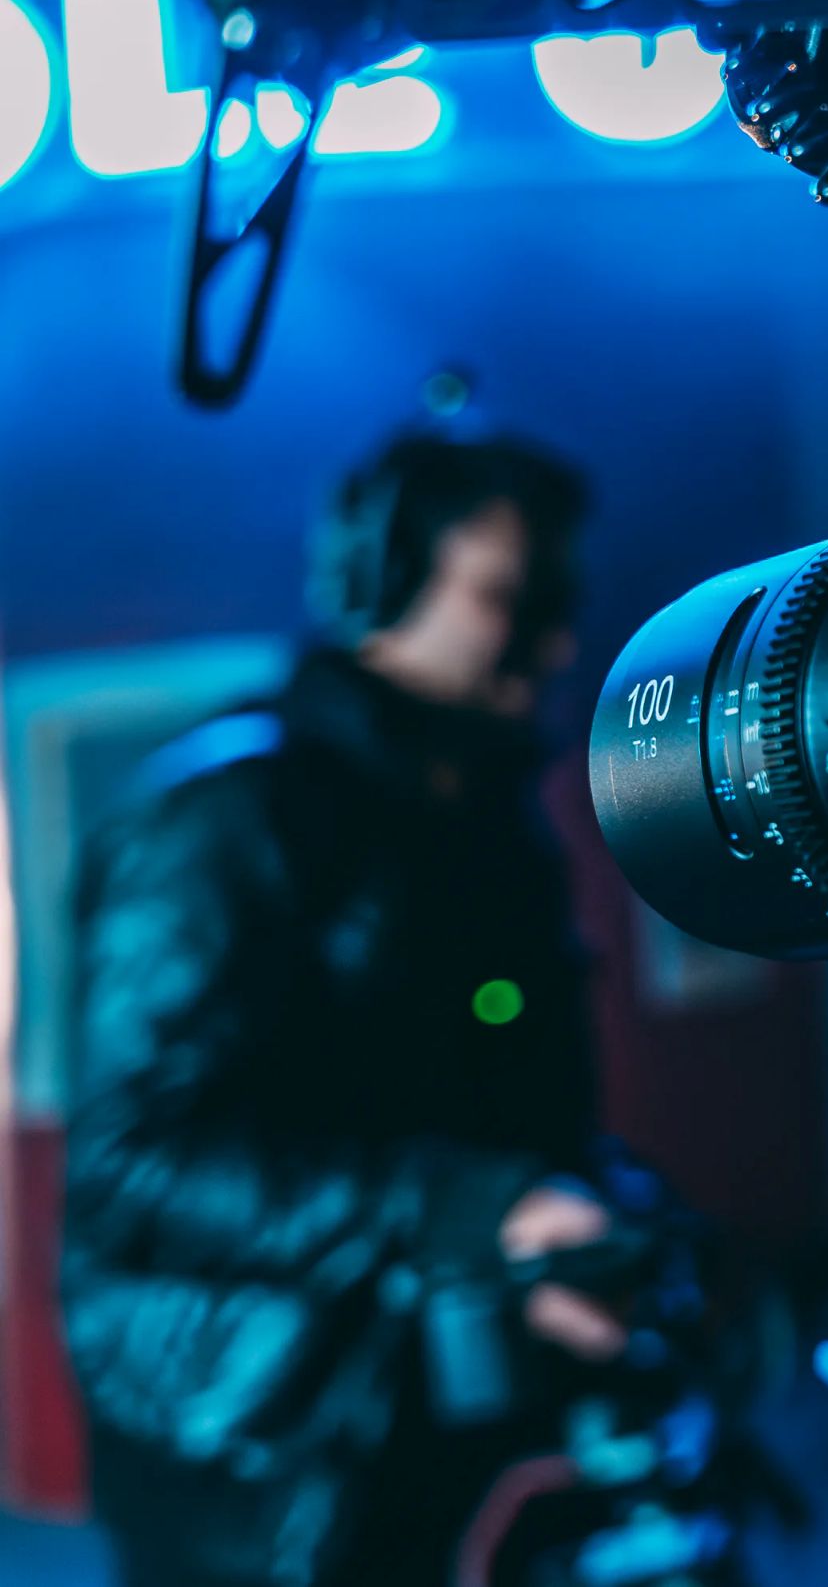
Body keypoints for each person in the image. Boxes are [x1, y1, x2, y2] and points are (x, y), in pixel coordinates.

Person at [61, 432, 623, 1587]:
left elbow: (513, 1120)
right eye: (511, 599)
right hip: (251, 1465)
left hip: (433, 1422)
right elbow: (132, 1165)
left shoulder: (487, 832)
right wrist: (467, 1209)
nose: (555, 642)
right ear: (378, 581)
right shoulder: (222, 821)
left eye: (557, 604)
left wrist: (587, 1226)